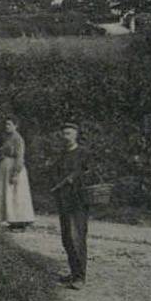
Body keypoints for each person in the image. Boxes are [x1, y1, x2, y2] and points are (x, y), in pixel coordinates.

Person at [50, 122, 90, 290]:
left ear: (76, 135)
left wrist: (75, 178)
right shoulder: (62, 154)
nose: (66, 137)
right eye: (64, 133)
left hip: (78, 201)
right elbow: (55, 174)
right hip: (64, 200)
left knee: (77, 238)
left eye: (69, 133)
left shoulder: (83, 153)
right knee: (66, 238)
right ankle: (74, 273)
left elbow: (89, 173)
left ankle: (80, 277)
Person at [0, 117, 34, 231]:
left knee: (17, 194)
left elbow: (20, 157)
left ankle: (20, 221)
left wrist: (16, 173)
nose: (7, 127)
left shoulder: (18, 139)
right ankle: (12, 220)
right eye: (6, 124)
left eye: (9, 124)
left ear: (15, 125)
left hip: (14, 167)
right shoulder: (6, 137)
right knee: (8, 193)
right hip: (6, 167)